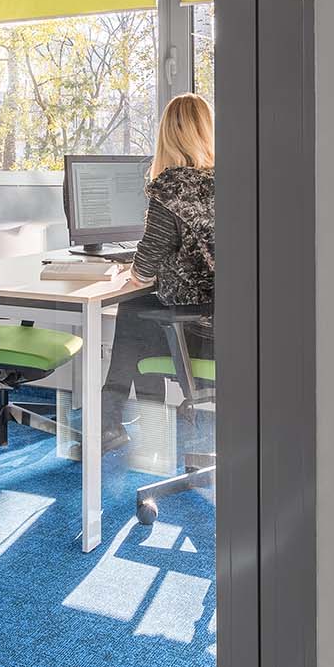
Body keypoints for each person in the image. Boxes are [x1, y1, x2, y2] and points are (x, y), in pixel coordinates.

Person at [102, 93, 216, 433]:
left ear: (168, 134)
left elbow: (148, 259)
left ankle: (113, 419)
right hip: (226, 328)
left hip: (196, 327)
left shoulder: (171, 186)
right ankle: (137, 417)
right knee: (139, 311)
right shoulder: (228, 179)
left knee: (133, 304)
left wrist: (132, 273)